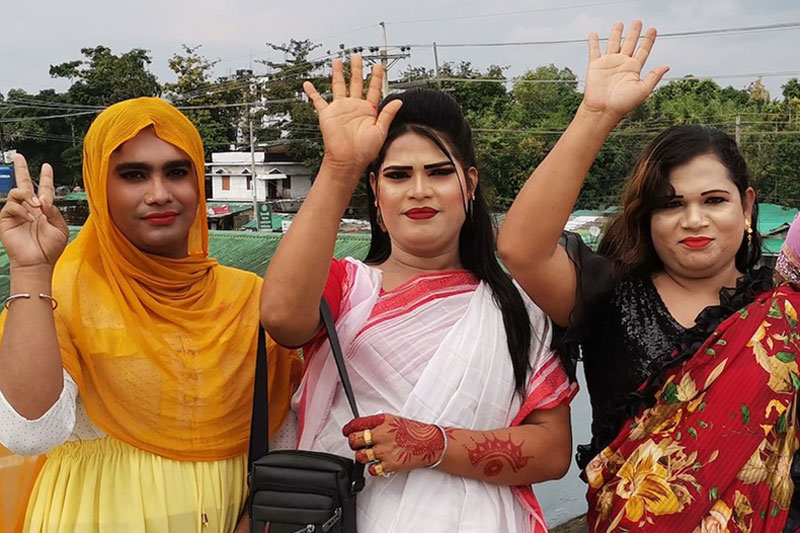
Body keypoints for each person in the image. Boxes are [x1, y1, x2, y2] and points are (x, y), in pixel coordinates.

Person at [498, 20, 800, 532]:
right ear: (647, 216)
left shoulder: (783, 311)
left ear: (746, 205)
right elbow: (520, 248)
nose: (694, 220)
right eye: (671, 204)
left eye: (714, 200)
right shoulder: (608, 293)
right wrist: (595, 115)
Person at [260, 56, 577, 532]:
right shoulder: (347, 287)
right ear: (376, 190)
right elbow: (281, 317)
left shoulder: (517, 304)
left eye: (439, 172)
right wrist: (341, 165)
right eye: (398, 175)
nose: (419, 190)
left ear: (468, 184)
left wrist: (434, 445)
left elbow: (552, 453)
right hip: (352, 517)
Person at [0, 97, 302, 533]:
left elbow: (280, 435)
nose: (159, 193)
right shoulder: (62, 294)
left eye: (177, 172)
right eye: (133, 174)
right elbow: (30, 435)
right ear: (99, 187)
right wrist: (30, 271)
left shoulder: (250, 297)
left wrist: (261, 514)